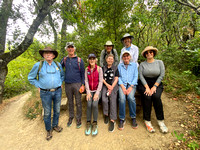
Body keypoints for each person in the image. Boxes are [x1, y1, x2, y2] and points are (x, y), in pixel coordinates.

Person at [28, 47, 64, 141]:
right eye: (46, 53)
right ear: (43, 55)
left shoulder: (58, 64)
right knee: (47, 112)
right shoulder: (38, 65)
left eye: (50, 53)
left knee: (57, 109)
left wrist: (60, 83)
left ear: (53, 55)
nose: (48, 54)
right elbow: (31, 78)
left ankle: (55, 125)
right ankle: (48, 130)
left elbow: (62, 75)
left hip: (57, 91)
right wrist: (38, 85)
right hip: (45, 93)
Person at [138, 46, 168, 133]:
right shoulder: (142, 64)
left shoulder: (159, 62)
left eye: (151, 52)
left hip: (157, 83)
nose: (149, 54)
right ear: (145, 55)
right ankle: (147, 120)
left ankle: (161, 121)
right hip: (144, 83)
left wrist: (155, 86)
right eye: (147, 53)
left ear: (153, 53)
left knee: (156, 96)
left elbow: (162, 75)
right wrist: (147, 87)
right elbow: (141, 76)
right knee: (147, 97)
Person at [60, 42, 85, 129]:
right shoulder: (64, 60)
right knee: (70, 102)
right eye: (68, 47)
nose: (70, 49)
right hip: (67, 84)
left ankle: (78, 118)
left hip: (77, 84)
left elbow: (83, 73)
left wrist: (83, 85)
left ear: (74, 49)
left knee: (78, 102)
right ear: (66, 49)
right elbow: (59, 69)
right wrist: (60, 81)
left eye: (72, 47)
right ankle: (71, 117)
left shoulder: (79, 60)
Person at [118, 51, 138, 130]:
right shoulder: (120, 65)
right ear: (122, 58)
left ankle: (133, 117)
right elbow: (118, 76)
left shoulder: (134, 65)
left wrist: (131, 87)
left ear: (130, 57)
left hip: (131, 85)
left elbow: (136, 76)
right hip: (122, 84)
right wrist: (122, 86)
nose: (126, 58)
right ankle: (122, 118)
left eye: (127, 56)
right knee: (122, 99)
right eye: (124, 56)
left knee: (130, 98)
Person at [85, 53, 103, 136]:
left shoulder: (99, 69)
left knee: (95, 104)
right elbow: (86, 81)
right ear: (88, 60)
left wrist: (97, 93)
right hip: (90, 91)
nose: (92, 60)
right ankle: (88, 122)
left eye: (93, 59)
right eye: (90, 59)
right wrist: (88, 92)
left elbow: (100, 81)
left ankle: (95, 123)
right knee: (89, 104)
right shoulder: (86, 69)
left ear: (96, 60)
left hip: (97, 90)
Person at [102, 54, 119, 132]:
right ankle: (106, 114)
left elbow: (116, 79)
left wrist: (112, 86)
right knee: (104, 99)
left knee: (113, 100)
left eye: (111, 59)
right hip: (105, 86)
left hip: (113, 86)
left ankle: (112, 120)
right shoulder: (103, 68)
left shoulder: (115, 68)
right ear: (106, 59)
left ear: (113, 60)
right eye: (109, 58)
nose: (110, 60)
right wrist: (107, 85)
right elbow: (101, 79)